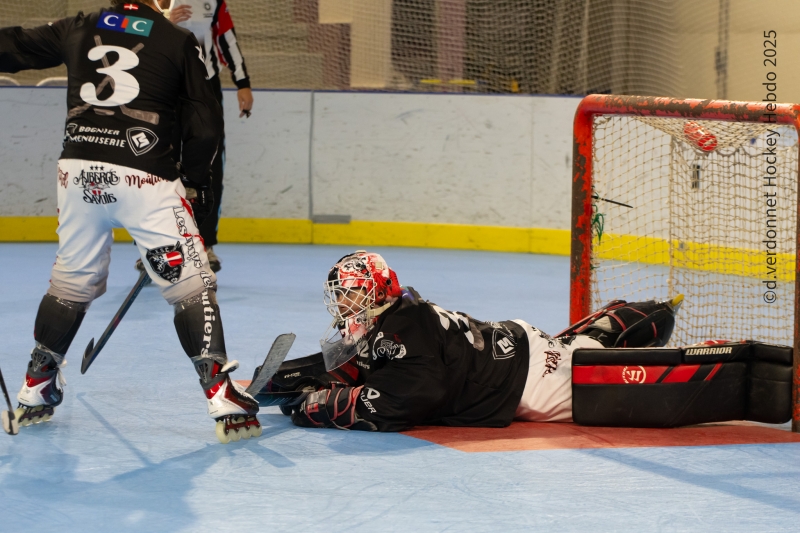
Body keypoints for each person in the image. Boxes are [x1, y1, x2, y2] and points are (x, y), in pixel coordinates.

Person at [0, 0, 259, 443]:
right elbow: (206, 125)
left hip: (77, 173)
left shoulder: (78, 26)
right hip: (147, 176)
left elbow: (17, 46)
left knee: (71, 281)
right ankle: (219, 391)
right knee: (191, 283)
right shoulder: (179, 40)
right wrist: (195, 184)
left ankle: (37, 384)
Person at [267, 251, 682, 432]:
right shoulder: (400, 311)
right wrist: (301, 378)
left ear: (375, 293)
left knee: (621, 384)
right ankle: (611, 329)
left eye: (350, 293)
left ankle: (701, 352)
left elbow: (402, 403)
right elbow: (378, 364)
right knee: (583, 350)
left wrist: (318, 407)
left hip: (531, 382)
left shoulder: (404, 334)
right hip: (514, 352)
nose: (341, 303)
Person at [162, 0, 254, 272]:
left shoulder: (214, 1)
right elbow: (135, 37)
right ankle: (156, 244)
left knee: (211, 165)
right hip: (164, 85)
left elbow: (227, 39)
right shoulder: (154, 2)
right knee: (159, 165)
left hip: (205, 86)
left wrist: (243, 83)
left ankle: (205, 244)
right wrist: (164, 22)